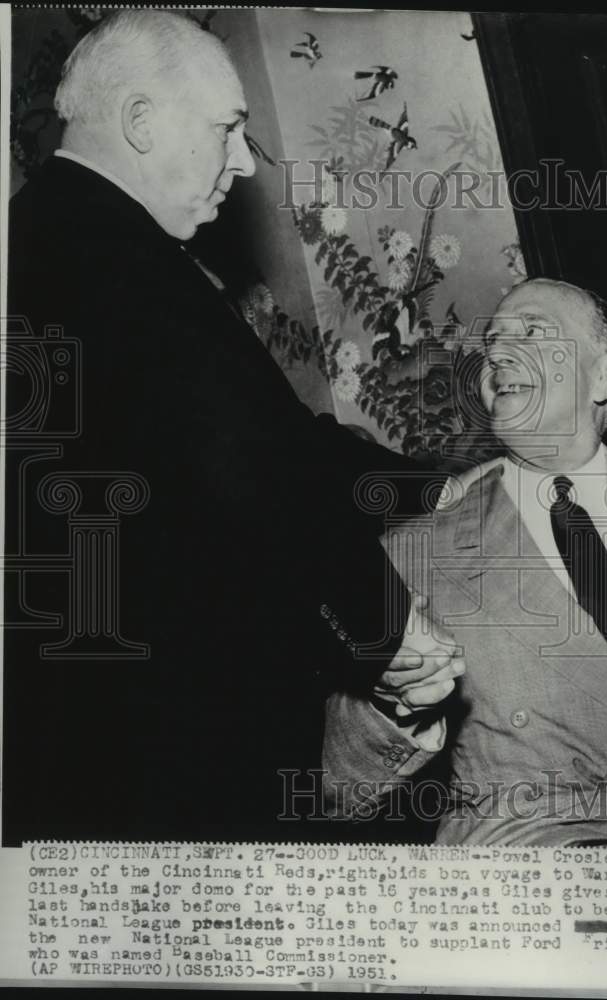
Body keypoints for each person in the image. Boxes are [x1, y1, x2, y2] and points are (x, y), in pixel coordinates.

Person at [3, 9, 461, 843]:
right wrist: (384, 626)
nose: (243, 161)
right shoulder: (122, 260)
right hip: (155, 736)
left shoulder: (43, 235)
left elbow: (269, 438)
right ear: (141, 122)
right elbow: (247, 465)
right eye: (227, 129)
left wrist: (432, 479)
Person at [324, 278, 607, 848]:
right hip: (531, 876)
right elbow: (341, 791)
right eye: (491, 344)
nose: (498, 356)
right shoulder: (412, 553)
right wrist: (397, 702)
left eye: (534, 333)